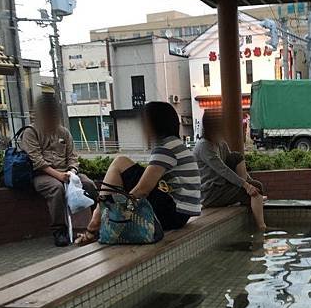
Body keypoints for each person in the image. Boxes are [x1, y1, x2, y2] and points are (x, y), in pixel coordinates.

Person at [75, 101, 201, 245]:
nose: (143, 128)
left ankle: (94, 227)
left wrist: (122, 211)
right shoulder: (177, 145)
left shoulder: (166, 148)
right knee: (124, 169)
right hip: (181, 214)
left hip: (172, 214)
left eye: (144, 123)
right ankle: (96, 223)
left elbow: (143, 190)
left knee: (119, 163)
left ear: (156, 124)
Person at [21, 95, 97, 247]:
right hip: (43, 175)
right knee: (56, 189)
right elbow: (37, 160)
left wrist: (72, 172)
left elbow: (73, 157)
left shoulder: (64, 132)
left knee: (89, 184)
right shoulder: (30, 132)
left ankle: (96, 225)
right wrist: (59, 176)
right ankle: (59, 230)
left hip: (67, 173)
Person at [193, 137, 266, 231]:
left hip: (222, 187)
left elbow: (231, 165)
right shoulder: (204, 146)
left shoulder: (221, 143)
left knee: (236, 157)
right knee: (256, 190)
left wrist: (250, 184)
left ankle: (255, 226)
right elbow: (223, 170)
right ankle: (261, 228)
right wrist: (247, 186)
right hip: (210, 193)